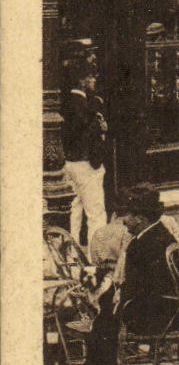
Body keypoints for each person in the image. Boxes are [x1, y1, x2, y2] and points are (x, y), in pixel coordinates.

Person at [83, 185, 179, 365]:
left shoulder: (141, 245)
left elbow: (137, 289)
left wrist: (112, 299)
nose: (124, 220)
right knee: (107, 310)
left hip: (156, 316)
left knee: (105, 317)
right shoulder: (161, 235)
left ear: (142, 218)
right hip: (170, 310)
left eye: (128, 215)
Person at [62, 60, 111, 245]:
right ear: (83, 80)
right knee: (96, 212)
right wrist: (102, 129)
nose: (94, 80)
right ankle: (96, 256)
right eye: (91, 77)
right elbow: (88, 132)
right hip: (87, 164)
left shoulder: (68, 101)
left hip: (71, 163)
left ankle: (72, 252)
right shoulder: (83, 105)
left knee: (75, 208)